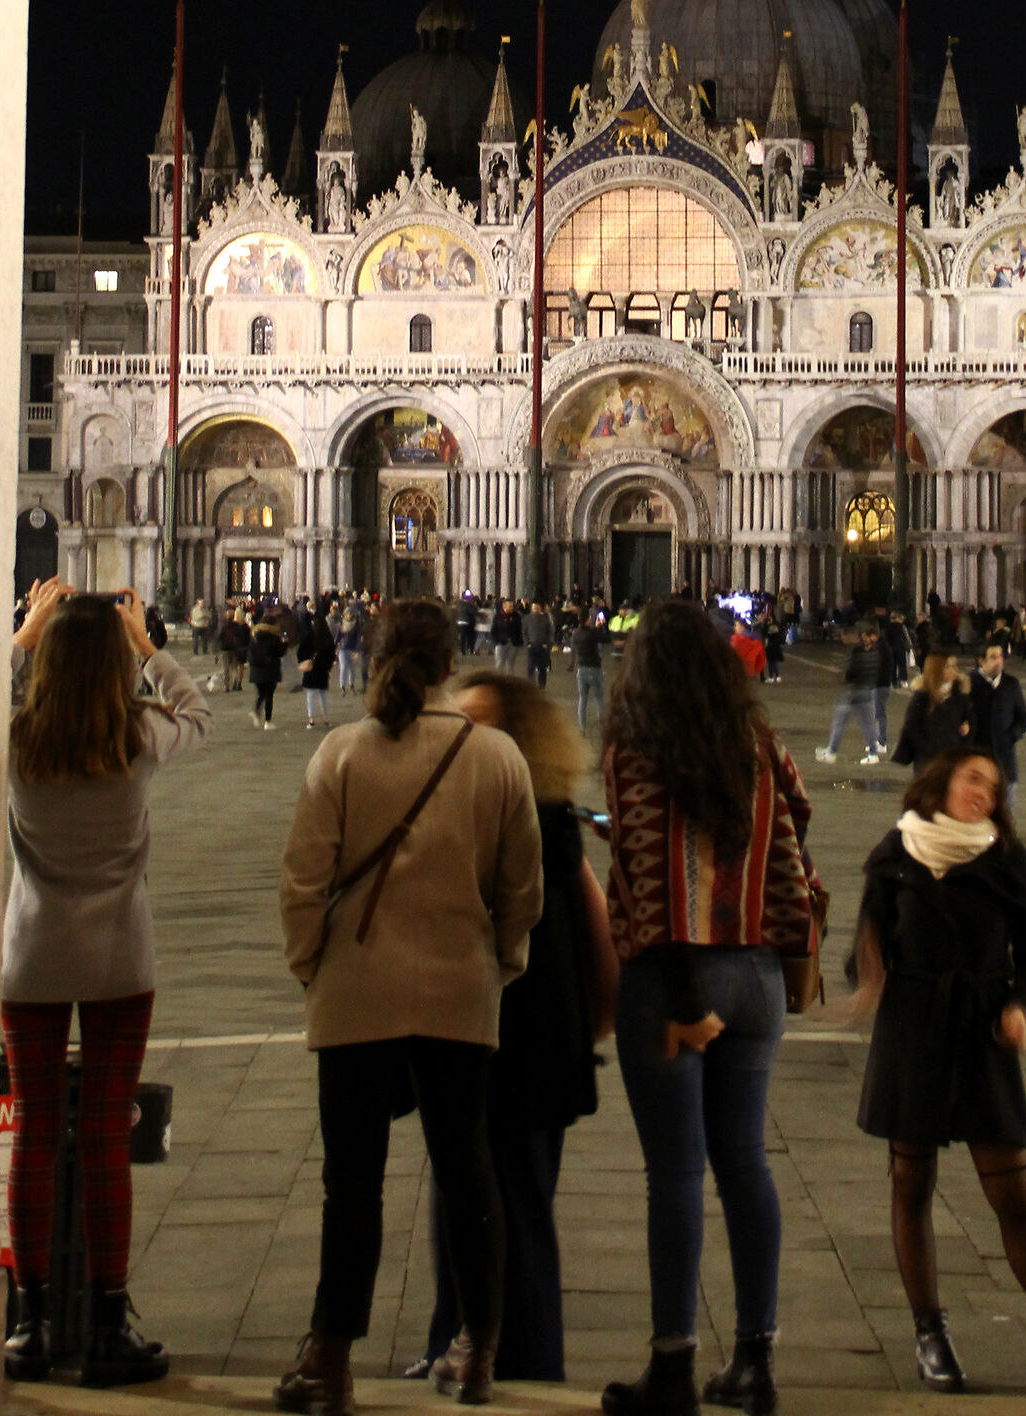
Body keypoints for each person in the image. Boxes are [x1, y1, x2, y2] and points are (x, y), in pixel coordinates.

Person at [276, 600, 544, 1413]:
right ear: (448, 664)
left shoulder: (341, 752)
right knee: (468, 1175)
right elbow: (522, 889)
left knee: (350, 1183)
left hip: (355, 990)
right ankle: (478, 1350)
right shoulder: (496, 756)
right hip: (461, 991)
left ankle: (330, 1359)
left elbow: (300, 883)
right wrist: (498, 962)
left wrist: (313, 969)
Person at [843, 751, 1026, 1400]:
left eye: (993, 787)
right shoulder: (897, 852)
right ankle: (930, 1335)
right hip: (913, 1028)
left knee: (1014, 1196)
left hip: (980, 1030)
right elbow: (868, 942)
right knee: (911, 1182)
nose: (983, 792)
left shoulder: (1006, 860)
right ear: (942, 780)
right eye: (973, 778)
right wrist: (865, 973)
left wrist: (1019, 1006)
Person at [602, 599, 823, 1416]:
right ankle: (756, 1360)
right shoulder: (760, 744)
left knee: (677, 1176)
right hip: (759, 976)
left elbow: (648, 876)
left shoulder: (636, 751)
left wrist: (687, 999)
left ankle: (673, 1364)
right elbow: (797, 822)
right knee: (746, 1164)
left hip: (677, 981)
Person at [1, 578, 210, 1388]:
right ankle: (108, 1319)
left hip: (32, 958)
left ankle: (34, 1321)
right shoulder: (138, 738)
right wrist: (147, 647)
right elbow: (200, 714)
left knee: (35, 1135)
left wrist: (24, 632)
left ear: (47, 663)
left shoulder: (17, 739)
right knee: (104, 1142)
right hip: (121, 959)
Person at [416, 672, 616, 1383]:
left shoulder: (548, 823)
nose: (464, 734)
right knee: (456, 1196)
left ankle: (531, 1361)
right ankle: (454, 1342)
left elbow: (598, 935)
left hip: (528, 1039)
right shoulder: (470, 809)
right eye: (457, 719)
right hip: (470, 1035)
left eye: (481, 722)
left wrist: (591, 1023)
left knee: (520, 1203)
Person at [816, 621, 887, 764]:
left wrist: (844, 677)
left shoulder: (857, 652)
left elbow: (853, 671)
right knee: (868, 725)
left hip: (855, 691)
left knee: (840, 721)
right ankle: (873, 753)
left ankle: (831, 752)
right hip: (868, 690)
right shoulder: (875, 653)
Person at [969, 639, 1026, 798]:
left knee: (1005, 816)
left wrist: (1011, 736)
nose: (999, 661)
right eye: (993, 657)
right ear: (981, 660)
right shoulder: (968, 683)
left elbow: (1024, 717)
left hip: (1005, 761)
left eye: (1001, 656)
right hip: (977, 760)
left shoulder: (1011, 684)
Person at [891, 652, 971, 773]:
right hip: (927, 762)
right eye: (948, 666)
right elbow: (912, 726)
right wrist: (928, 749)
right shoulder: (922, 696)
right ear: (936, 670)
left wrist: (966, 731)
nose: (954, 670)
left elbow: (971, 721)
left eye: (955, 665)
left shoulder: (960, 695)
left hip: (953, 760)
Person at [250, 605, 286, 728]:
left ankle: (256, 711)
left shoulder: (254, 636)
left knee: (261, 693)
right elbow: (280, 652)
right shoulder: (274, 638)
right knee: (269, 695)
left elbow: (250, 653)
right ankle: (267, 721)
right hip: (270, 670)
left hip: (256, 670)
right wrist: (284, 643)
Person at [300, 604, 334, 729]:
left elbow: (301, 652)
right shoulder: (327, 638)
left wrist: (305, 661)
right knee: (323, 694)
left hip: (311, 669)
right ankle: (325, 718)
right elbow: (331, 654)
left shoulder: (309, 636)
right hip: (322, 670)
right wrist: (328, 666)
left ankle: (311, 718)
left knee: (311, 695)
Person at [573, 609, 606, 737]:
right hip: (594, 668)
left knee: (583, 699)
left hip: (581, 669)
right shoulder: (592, 632)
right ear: (588, 619)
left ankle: (582, 727)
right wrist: (600, 625)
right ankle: (603, 728)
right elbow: (604, 638)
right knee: (599, 699)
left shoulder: (575, 633)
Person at [523, 599, 553, 689]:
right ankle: (531, 684)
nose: (536, 610)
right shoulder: (527, 619)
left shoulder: (545, 618)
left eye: (537, 608)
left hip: (543, 646)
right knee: (530, 666)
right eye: (534, 608)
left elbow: (550, 632)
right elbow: (524, 632)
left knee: (542, 667)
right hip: (531, 645)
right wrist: (527, 643)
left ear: (540, 609)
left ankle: (542, 685)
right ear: (531, 608)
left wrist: (547, 644)